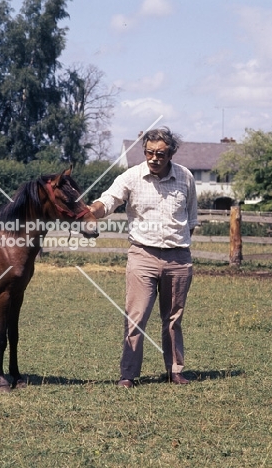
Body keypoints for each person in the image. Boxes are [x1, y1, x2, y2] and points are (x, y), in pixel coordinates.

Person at [89, 127, 198, 388]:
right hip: (142, 256)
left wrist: (176, 248)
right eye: (149, 152)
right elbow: (109, 200)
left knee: (173, 318)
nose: (154, 158)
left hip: (178, 258)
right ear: (144, 151)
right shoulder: (131, 177)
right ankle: (128, 374)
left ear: (171, 153)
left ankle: (175, 370)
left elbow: (191, 220)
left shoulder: (185, 177)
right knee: (136, 316)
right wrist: (92, 211)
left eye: (160, 153)